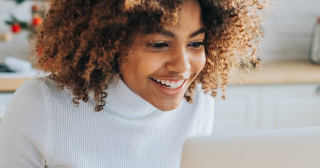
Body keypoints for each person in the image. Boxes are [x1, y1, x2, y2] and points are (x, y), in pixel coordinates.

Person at [0, 0, 266, 167]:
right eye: (159, 44)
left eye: (195, 44)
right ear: (111, 41)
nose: (183, 67)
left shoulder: (196, 103)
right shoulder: (41, 105)